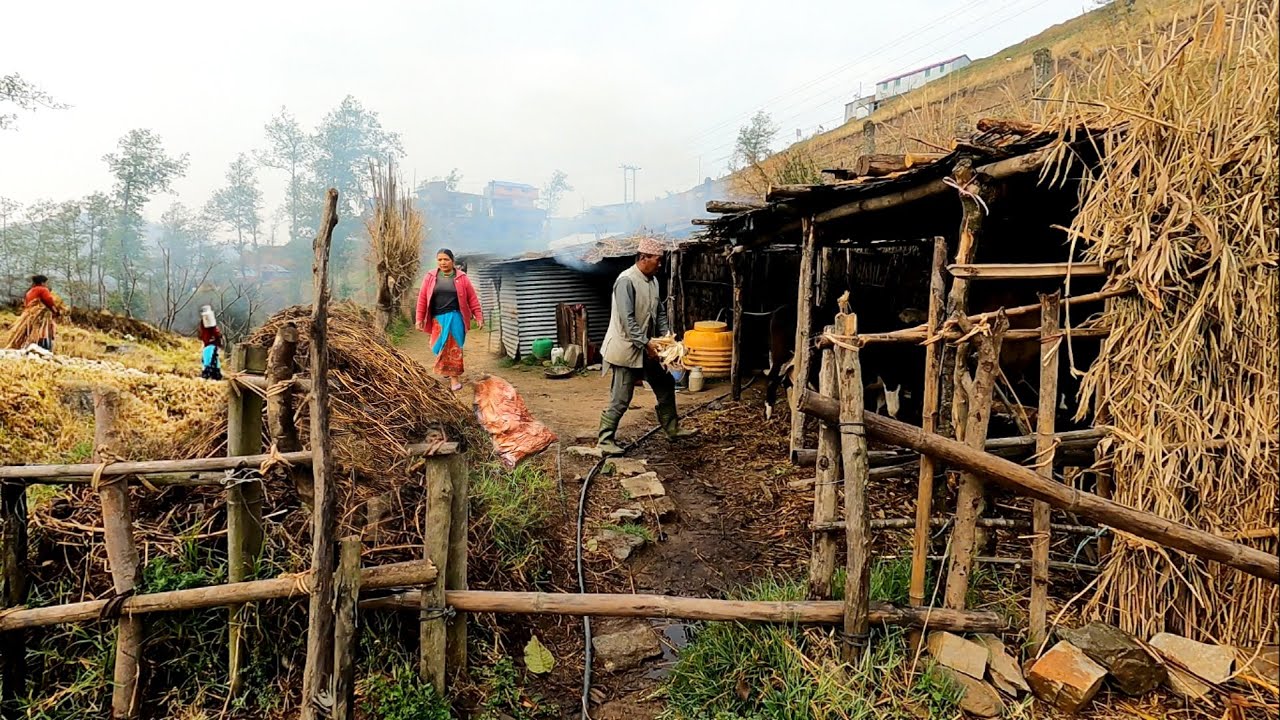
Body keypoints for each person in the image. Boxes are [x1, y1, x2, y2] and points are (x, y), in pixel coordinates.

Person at [595, 238, 695, 456]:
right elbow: (628, 320)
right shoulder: (626, 281)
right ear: (643, 258)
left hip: (646, 348)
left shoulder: (652, 281)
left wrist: (666, 338)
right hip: (625, 350)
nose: (660, 265)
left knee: (666, 383)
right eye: (657, 261)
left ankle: (672, 429)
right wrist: (647, 343)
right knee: (621, 398)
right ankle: (604, 440)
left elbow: (658, 312)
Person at [415, 248, 483, 392]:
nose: (443, 262)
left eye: (446, 259)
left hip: (455, 317)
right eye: (440, 259)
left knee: (452, 348)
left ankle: (454, 380)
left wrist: (478, 316)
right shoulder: (430, 277)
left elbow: (472, 298)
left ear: (452, 261)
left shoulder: (462, 278)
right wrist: (419, 318)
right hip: (437, 319)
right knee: (437, 346)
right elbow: (422, 298)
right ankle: (446, 367)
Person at [23, 275, 60, 352]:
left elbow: (26, 304)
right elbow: (49, 300)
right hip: (40, 316)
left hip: (29, 315)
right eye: (46, 283)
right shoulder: (43, 290)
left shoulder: (29, 291)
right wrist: (55, 311)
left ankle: (30, 347)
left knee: (32, 332)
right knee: (45, 331)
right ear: (42, 283)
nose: (46, 284)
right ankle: (44, 349)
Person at [197, 305, 224, 380]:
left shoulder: (211, 326)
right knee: (210, 358)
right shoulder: (204, 323)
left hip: (211, 344)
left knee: (210, 359)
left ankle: (210, 374)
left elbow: (216, 332)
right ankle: (213, 374)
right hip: (209, 344)